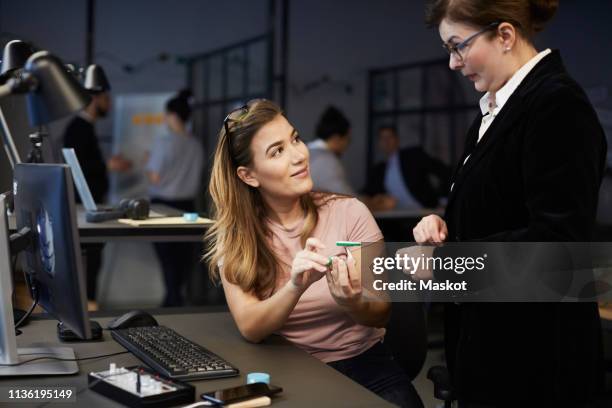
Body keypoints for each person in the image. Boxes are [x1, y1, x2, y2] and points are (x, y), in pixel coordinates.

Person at [412, 1, 606, 406]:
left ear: (504, 35)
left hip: (535, 359)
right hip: (491, 343)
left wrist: (450, 262)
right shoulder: (494, 111)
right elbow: (494, 211)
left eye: (458, 46)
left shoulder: (556, 105)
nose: (453, 63)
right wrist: (443, 227)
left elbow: (557, 244)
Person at [204, 99, 423, 407]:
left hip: (367, 365)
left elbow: (381, 311)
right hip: (289, 368)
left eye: (295, 139)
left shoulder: (350, 212)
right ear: (249, 176)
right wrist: (296, 285)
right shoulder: (238, 236)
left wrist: (352, 302)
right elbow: (250, 326)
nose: (298, 155)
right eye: (277, 151)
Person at [63, 64, 131, 305]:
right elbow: (78, 169)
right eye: (106, 98)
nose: (109, 104)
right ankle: (88, 305)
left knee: (92, 260)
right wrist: (108, 166)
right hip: (83, 209)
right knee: (89, 261)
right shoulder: (79, 128)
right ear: (95, 98)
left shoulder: (84, 128)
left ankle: (89, 303)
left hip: (90, 207)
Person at [146, 89, 204, 307]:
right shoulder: (196, 144)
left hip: (163, 206)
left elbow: (154, 176)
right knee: (182, 262)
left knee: (168, 262)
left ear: (171, 115)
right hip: (189, 208)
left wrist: (146, 161)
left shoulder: (164, 142)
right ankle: (175, 303)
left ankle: (171, 305)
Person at [363, 125, 450, 211]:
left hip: (426, 211)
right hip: (397, 218)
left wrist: (443, 200)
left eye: (390, 137)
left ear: (397, 140)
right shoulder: (379, 170)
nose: (386, 141)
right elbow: (369, 193)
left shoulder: (412, 155)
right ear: (379, 143)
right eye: (382, 138)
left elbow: (444, 172)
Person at [307, 106, 355, 195]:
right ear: (336, 138)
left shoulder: (306, 150)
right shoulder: (327, 161)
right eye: (347, 139)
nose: (347, 145)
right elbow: (346, 198)